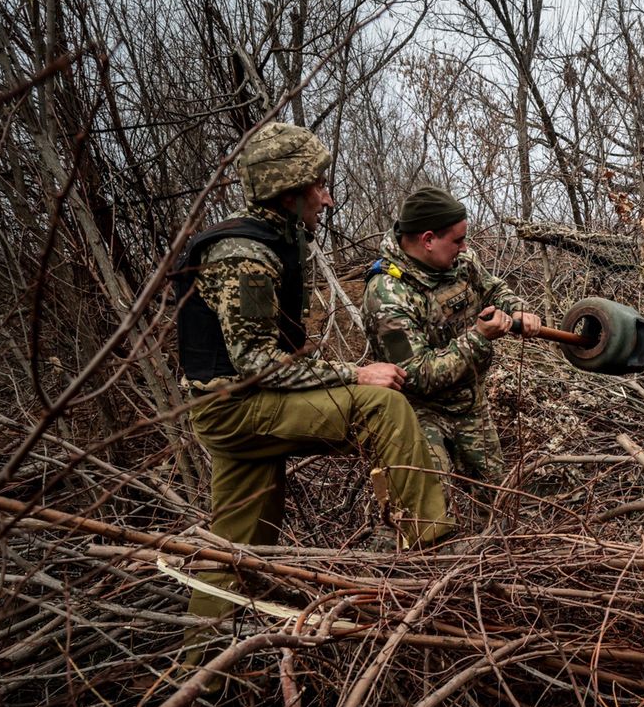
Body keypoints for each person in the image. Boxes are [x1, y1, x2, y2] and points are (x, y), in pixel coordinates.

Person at [174, 123, 452, 674]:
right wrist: (355, 371)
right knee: (382, 406)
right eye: (318, 185)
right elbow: (256, 362)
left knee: (233, 545)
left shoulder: (273, 235)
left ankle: (196, 675)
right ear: (288, 191)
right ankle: (433, 562)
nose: (327, 196)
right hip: (233, 408)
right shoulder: (244, 254)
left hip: (228, 407)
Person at [360, 186, 541, 488]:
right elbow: (417, 375)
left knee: (497, 497)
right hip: (420, 412)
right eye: (457, 240)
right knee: (432, 511)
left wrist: (519, 310)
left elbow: (493, 288)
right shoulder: (387, 295)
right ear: (428, 240)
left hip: (469, 401)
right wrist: (480, 337)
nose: (464, 246)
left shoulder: (459, 261)